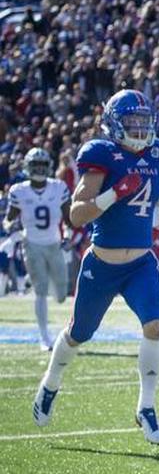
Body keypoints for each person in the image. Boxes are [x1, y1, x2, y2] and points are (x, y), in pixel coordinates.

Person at [33, 89, 159, 444]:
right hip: (103, 264)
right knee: (79, 333)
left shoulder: (158, 152)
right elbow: (77, 215)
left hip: (140, 262)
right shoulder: (101, 153)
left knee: (155, 326)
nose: (140, 129)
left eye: (144, 122)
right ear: (113, 123)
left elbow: (150, 196)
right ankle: (51, 383)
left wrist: (154, 218)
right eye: (132, 122)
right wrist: (114, 193)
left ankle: (146, 407)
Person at [4, 148, 71, 350]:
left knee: (61, 295)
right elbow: (9, 219)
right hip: (31, 244)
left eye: (42, 165)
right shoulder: (19, 190)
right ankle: (44, 338)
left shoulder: (58, 187)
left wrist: (68, 235)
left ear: (48, 166)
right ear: (28, 166)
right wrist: (10, 227)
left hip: (54, 243)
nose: (40, 169)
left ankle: (41, 279)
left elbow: (68, 218)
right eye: (36, 165)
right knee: (40, 291)